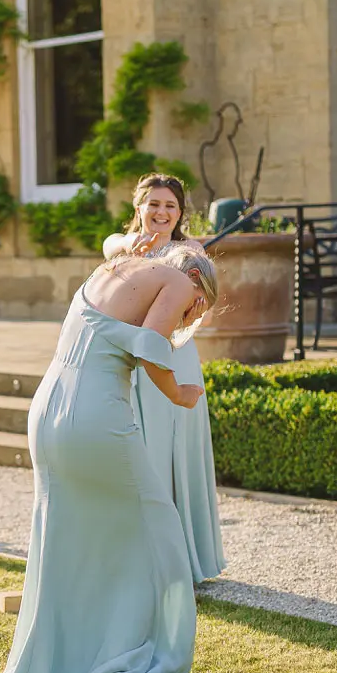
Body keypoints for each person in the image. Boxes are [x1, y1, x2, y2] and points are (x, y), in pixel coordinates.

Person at [0, 243, 218, 673]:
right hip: (95, 415)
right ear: (196, 278)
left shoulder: (112, 270)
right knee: (162, 533)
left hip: (48, 409)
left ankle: (95, 651)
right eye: (199, 305)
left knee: (69, 540)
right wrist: (180, 392)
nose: (189, 311)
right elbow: (153, 344)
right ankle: (148, 661)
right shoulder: (177, 281)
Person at [101, 174, 225, 581]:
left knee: (177, 455)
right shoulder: (118, 246)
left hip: (177, 355)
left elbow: (200, 310)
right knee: (141, 453)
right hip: (132, 361)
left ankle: (184, 561)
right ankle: (141, 561)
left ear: (180, 213)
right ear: (138, 208)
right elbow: (114, 246)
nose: (162, 213)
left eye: (170, 206)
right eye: (153, 204)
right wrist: (130, 247)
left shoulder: (191, 250)